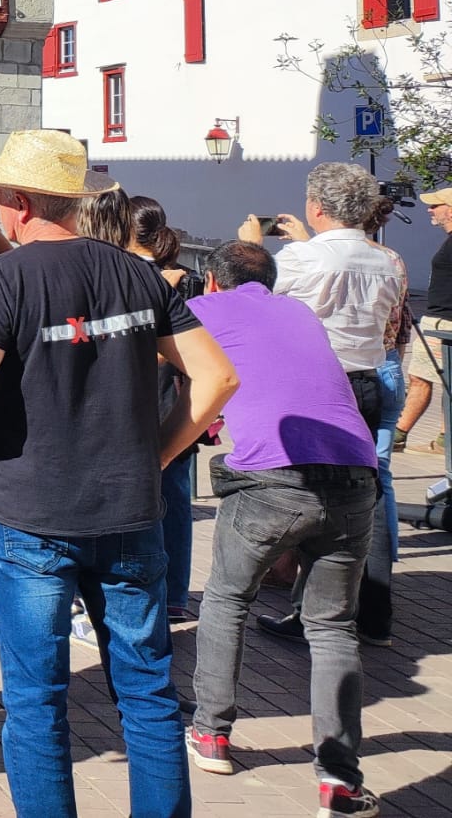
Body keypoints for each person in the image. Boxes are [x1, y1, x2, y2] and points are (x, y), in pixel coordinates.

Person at [0, 129, 238, 818]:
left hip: (29, 514)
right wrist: (157, 454)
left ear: (16, 202)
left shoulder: (5, 277)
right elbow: (217, 378)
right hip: (128, 514)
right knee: (147, 693)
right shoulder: (138, 273)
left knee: (37, 701)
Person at [183, 243, 380, 818]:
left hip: (271, 473)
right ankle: (339, 781)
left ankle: (212, 734)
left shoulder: (205, 310)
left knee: (226, 599)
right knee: (334, 627)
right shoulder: (297, 311)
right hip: (354, 472)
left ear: (212, 283)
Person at [239, 162, 403, 647]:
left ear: (316, 206)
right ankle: (372, 614)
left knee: (307, 497)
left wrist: (252, 247)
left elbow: (250, 299)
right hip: (365, 381)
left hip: (313, 386)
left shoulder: (300, 259)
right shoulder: (388, 259)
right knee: (363, 498)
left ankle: (312, 613)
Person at [129, 195, 202, 623]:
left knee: (144, 500)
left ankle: (152, 592)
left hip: (140, 398)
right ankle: (174, 594)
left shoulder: (122, 276)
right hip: (179, 402)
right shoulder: (186, 278)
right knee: (175, 500)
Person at [395, 185, 452, 451]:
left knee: (420, 377)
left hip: (442, 322)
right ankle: (444, 437)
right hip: (439, 318)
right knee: (442, 379)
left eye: (436, 205)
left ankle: (399, 432)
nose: (430, 210)